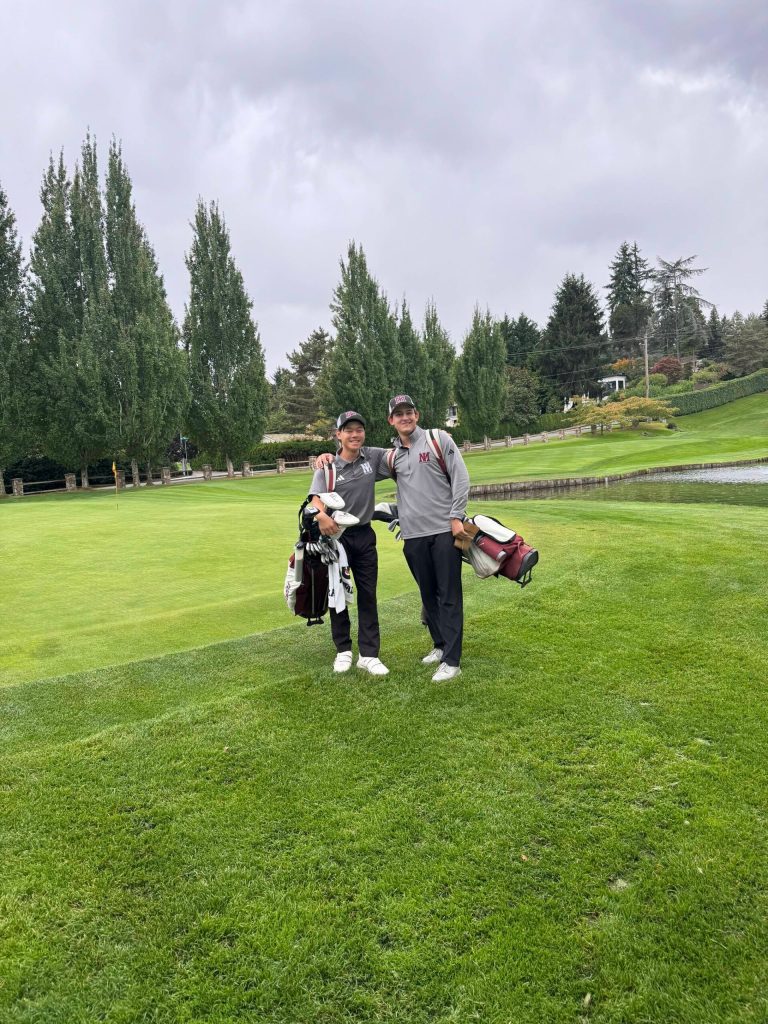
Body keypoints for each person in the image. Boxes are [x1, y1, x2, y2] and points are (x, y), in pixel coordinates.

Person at [386, 394, 471, 681]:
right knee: (427, 595)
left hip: (444, 532)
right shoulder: (391, 456)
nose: (405, 417)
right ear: (391, 420)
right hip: (413, 536)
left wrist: (456, 516)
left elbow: (461, 477)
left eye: (409, 412)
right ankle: (439, 644)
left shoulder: (438, 439)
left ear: (417, 415)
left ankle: (452, 660)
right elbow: (356, 458)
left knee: (449, 595)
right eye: (399, 414)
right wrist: (328, 455)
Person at [309, 411, 391, 676]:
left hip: (364, 535)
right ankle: (343, 650)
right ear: (339, 435)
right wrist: (321, 515)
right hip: (337, 539)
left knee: (368, 594)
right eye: (348, 430)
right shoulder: (328, 467)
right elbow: (315, 502)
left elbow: (404, 451)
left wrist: (439, 438)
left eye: (359, 430)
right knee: (338, 594)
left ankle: (369, 654)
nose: (355, 435)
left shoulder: (373, 457)